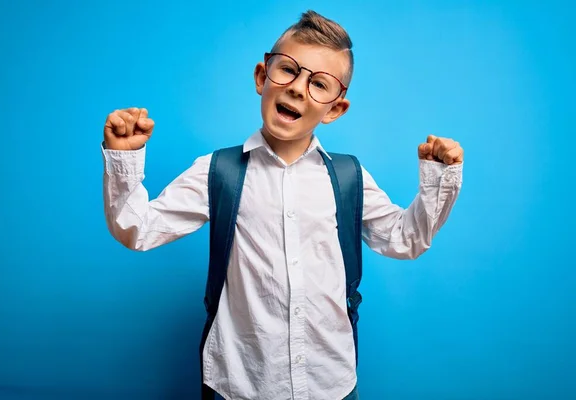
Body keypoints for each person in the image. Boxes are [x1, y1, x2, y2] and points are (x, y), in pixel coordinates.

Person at [101, 9, 463, 400]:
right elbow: (138, 229)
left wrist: (437, 183)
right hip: (237, 383)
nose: (296, 89)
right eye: (287, 70)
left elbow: (404, 240)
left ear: (336, 109)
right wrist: (124, 161)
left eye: (319, 84)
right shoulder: (218, 171)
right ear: (262, 77)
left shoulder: (347, 177)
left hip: (330, 385)